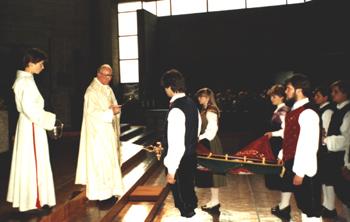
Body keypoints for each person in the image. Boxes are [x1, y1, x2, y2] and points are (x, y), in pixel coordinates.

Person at [7, 48, 57, 212]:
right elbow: (30, 109)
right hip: (32, 125)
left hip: (31, 124)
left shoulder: (27, 79)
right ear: (30, 64)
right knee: (35, 162)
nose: (43, 67)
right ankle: (35, 200)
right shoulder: (25, 82)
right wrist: (51, 119)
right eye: (41, 64)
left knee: (33, 162)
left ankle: (36, 198)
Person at [271, 74, 322, 221]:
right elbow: (291, 137)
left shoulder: (308, 112)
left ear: (299, 91)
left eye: (288, 88)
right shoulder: (294, 111)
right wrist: (282, 153)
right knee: (303, 205)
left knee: (311, 210)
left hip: (305, 167)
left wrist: (300, 172)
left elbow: (308, 145)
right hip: (295, 162)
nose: (286, 92)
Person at [75, 64, 123, 202]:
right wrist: (110, 112)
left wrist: (115, 110)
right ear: (99, 74)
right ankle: (102, 196)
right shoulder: (91, 91)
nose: (110, 78)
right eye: (107, 75)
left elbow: (113, 105)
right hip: (97, 136)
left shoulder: (107, 89)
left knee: (110, 163)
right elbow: (91, 113)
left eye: (111, 75)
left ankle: (111, 191)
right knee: (100, 164)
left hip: (108, 134)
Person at [161, 69, 201, 219]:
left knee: (184, 205)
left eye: (165, 88)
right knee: (189, 195)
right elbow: (196, 130)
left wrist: (171, 170)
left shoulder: (176, 110)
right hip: (190, 156)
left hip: (180, 161)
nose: (165, 91)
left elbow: (176, 144)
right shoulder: (192, 103)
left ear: (170, 87)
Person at [263, 84, 292, 221]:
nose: (271, 99)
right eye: (271, 96)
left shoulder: (284, 111)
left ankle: (285, 207)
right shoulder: (279, 110)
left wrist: (273, 134)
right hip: (278, 146)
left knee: (285, 176)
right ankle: (283, 205)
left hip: (282, 146)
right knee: (282, 177)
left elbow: (287, 132)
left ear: (282, 97)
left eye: (274, 96)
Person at [195, 88, 226, 214]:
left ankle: (215, 201)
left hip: (210, 143)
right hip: (206, 142)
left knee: (214, 173)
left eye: (201, 96)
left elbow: (212, 131)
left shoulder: (211, 110)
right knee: (212, 174)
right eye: (199, 97)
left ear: (207, 97)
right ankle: (214, 201)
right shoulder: (206, 109)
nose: (199, 99)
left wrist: (199, 138)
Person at [325, 80, 350, 221]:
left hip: (343, 158)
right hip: (337, 157)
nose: (332, 95)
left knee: (345, 191)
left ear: (345, 93)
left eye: (336, 92)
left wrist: (326, 140)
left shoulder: (347, 112)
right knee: (341, 190)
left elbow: (346, 140)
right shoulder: (339, 110)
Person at [313, 86, 337, 219]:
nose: (315, 98)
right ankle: (326, 205)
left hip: (326, 150)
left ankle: (330, 207)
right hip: (323, 149)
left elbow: (325, 131)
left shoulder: (327, 112)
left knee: (328, 180)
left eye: (318, 96)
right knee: (324, 179)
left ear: (325, 98)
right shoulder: (322, 110)